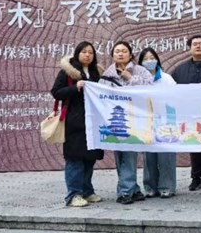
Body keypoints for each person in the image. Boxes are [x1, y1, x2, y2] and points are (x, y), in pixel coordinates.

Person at [51, 41, 105, 207]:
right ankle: (73, 195)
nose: (88, 55)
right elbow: (56, 92)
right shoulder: (67, 72)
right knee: (74, 158)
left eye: (91, 52)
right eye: (84, 52)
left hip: (93, 121)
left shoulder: (97, 72)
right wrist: (75, 87)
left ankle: (87, 191)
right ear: (77, 53)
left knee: (89, 158)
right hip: (74, 122)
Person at [99, 40, 153, 205]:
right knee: (121, 155)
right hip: (115, 119)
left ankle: (125, 191)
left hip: (135, 119)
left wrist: (131, 79)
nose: (120, 54)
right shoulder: (107, 74)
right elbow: (101, 95)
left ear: (130, 54)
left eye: (124, 51)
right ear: (112, 55)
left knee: (129, 153)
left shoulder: (140, 70)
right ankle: (133, 189)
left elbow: (150, 88)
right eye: (117, 51)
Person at [171, 35, 201, 191]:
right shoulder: (180, 70)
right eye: (194, 44)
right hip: (191, 116)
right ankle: (196, 178)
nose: (198, 46)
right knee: (194, 145)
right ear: (189, 48)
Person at [137, 47, 177, 199]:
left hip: (165, 121)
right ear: (140, 63)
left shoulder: (166, 79)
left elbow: (175, 98)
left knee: (166, 155)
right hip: (146, 122)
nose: (149, 61)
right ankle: (150, 186)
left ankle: (167, 186)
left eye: (152, 58)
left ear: (157, 60)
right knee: (148, 157)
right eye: (145, 59)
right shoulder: (137, 79)